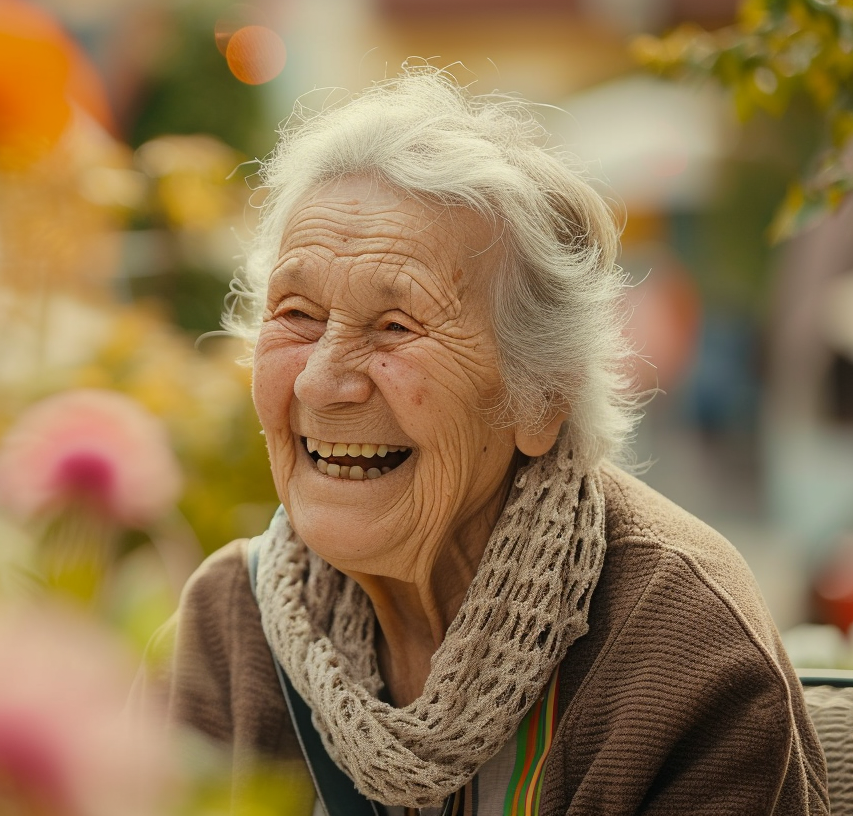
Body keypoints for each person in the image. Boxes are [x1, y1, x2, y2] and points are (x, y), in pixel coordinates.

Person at [157, 68, 829, 815]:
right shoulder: (232, 621)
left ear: (541, 395)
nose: (321, 382)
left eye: (396, 326)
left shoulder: (677, 646)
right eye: (296, 313)